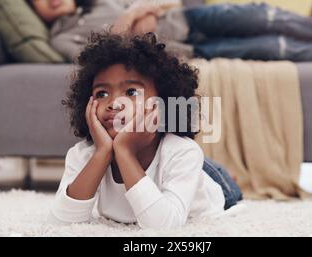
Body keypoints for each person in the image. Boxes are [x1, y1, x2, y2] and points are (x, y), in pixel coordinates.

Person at [49, 32, 242, 228]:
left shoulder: (183, 152)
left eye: (131, 92)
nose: (114, 103)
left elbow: (163, 226)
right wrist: (102, 153)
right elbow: (62, 222)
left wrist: (124, 151)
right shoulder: (83, 155)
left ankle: (224, 174)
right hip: (171, 162)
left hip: (213, 186)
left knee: (218, 179)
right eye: (102, 93)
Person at [26, 0, 312, 61]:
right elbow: (106, 54)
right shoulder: (60, 38)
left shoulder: (101, 3)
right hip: (185, 51)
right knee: (277, 49)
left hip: (190, 19)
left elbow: (149, 4)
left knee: (267, 17)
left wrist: (140, 10)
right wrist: (133, 20)